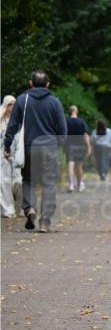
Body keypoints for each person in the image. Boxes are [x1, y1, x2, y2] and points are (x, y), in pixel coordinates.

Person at [3, 69, 68, 232]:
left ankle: (30, 208)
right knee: (49, 183)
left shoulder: (22, 100)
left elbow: (13, 125)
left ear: (31, 83)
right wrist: (59, 144)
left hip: (28, 147)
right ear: (48, 84)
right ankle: (44, 222)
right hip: (49, 147)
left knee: (28, 180)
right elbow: (62, 128)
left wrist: (7, 146)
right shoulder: (55, 102)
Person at [1, 95, 24, 217]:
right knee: (4, 182)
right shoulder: (1, 120)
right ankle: (8, 210)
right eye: (10, 104)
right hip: (2, 155)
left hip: (16, 156)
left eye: (15, 103)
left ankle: (21, 207)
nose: (13, 106)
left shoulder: (19, 120)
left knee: (18, 182)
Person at [64, 106, 91, 192]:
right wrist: (88, 146)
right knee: (79, 166)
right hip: (80, 146)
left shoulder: (65, 121)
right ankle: (80, 185)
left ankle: (71, 185)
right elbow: (85, 135)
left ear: (69, 112)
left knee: (70, 165)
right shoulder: (81, 121)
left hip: (69, 146)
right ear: (76, 111)